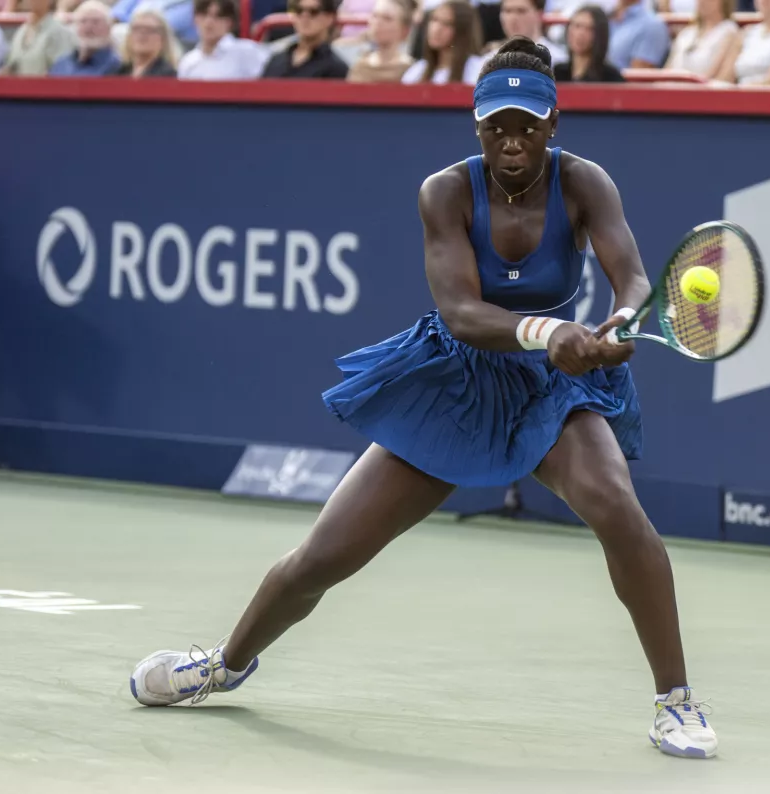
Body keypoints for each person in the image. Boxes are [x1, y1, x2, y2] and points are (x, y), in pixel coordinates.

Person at [128, 35, 719, 762]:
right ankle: (225, 663)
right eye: (496, 126)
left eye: (527, 127)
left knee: (617, 508)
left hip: (553, 386)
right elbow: (464, 313)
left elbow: (629, 273)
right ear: (475, 125)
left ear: (553, 125)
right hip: (459, 380)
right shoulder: (443, 191)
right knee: (323, 556)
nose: (511, 142)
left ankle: (676, 702)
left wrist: (621, 319)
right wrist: (550, 329)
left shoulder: (586, 183)